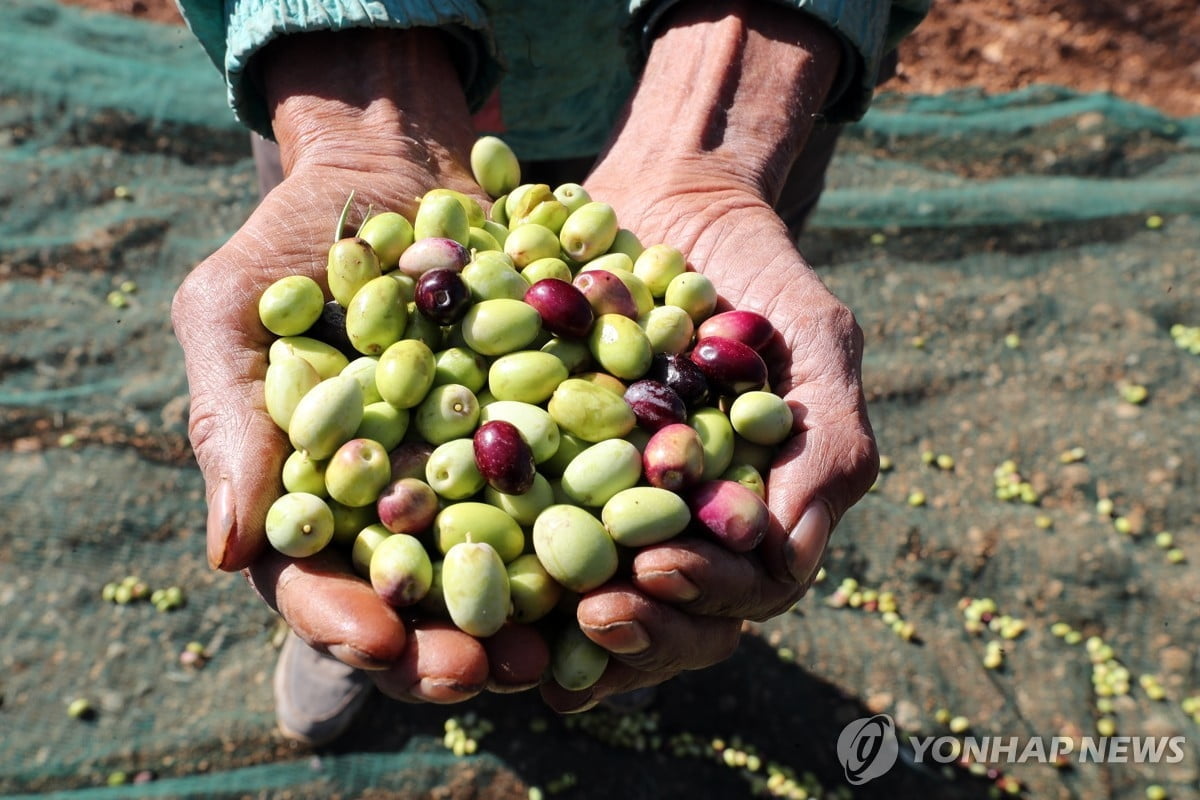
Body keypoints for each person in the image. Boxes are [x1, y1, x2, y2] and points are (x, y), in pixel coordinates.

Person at [170, 0, 928, 745]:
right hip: (341, 72)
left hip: (671, 74)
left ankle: (624, 633)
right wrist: (359, 125)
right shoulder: (387, 299)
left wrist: (712, 148)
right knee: (335, 551)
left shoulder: (599, 360)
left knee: (635, 603)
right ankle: (354, 617)